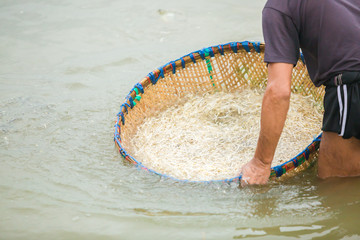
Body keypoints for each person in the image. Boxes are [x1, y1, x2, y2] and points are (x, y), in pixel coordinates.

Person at [240, 0, 360, 186]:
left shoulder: (279, 6)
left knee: (334, 190)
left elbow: (278, 91)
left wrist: (260, 163)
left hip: (351, 87)